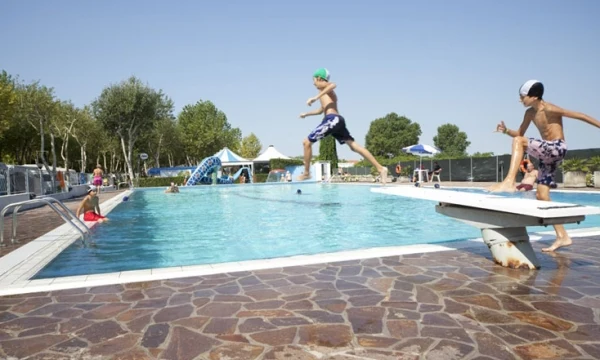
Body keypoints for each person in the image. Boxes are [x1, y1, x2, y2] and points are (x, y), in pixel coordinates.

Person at [489, 79, 600, 252]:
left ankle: (509, 181)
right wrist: (505, 131)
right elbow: (519, 134)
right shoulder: (529, 114)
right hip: (547, 155)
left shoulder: (550, 108)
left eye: (522, 97)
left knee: (520, 142)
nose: (520, 100)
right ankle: (563, 236)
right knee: (542, 196)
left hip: (557, 148)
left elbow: (581, 116)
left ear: (534, 96)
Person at [298, 68, 388, 184]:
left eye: (314, 80)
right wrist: (306, 114)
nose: (313, 83)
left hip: (333, 119)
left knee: (306, 142)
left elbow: (333, 85)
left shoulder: (327, 88)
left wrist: (315, 98)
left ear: (319, 78)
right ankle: (381, 168)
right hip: (336, 121)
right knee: (353, 146)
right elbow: (321, 110)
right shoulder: (323, 94)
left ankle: (306, 173)